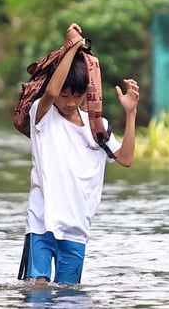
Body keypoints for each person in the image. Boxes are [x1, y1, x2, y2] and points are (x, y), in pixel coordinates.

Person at [23, 23, 139, 286]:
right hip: (42, 221)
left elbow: (126, 158)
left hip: (77, 228)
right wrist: (73, 48)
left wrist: (131, 114)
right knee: (38, 289)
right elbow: (51, 92)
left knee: (69, 299)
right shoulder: (42, 116)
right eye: (65, 95)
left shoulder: (97, 127)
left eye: (77, 95)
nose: (69, 102)